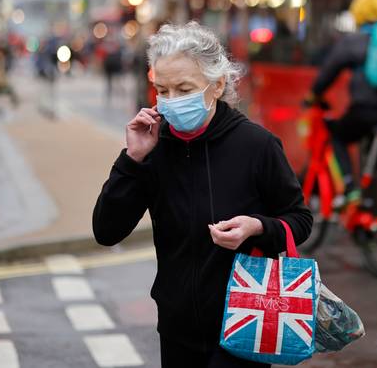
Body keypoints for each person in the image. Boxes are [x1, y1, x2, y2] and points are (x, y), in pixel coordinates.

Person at [92, 21, 312, 368]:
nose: (171, 102)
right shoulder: (153, 149)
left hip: (245, 321)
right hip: (176, 329)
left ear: (217, 85)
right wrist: (132, 159)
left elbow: (299, 219)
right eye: (162, 90)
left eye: (184, 89)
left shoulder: (257, 145)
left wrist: (256, 227)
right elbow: (106, 231)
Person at [308, 0, 377, 200]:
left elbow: (329, 72)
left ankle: (350, 187)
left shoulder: (354, 42)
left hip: (366, 112)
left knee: (337, 134)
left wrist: (314, 94)